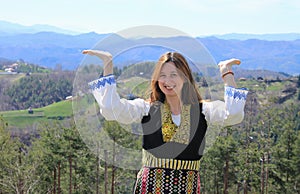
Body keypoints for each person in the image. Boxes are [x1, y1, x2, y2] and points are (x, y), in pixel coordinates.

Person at [83, 49, 248, 193]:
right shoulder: (146, 108)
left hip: (187, 189)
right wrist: (108, 65)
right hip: (150, 189)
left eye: (173, 75)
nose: (167, 81)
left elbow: (233, 114)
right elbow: (112, 110)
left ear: (185, 78)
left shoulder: (203, 111)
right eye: (162, 76)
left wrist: (227, 73)